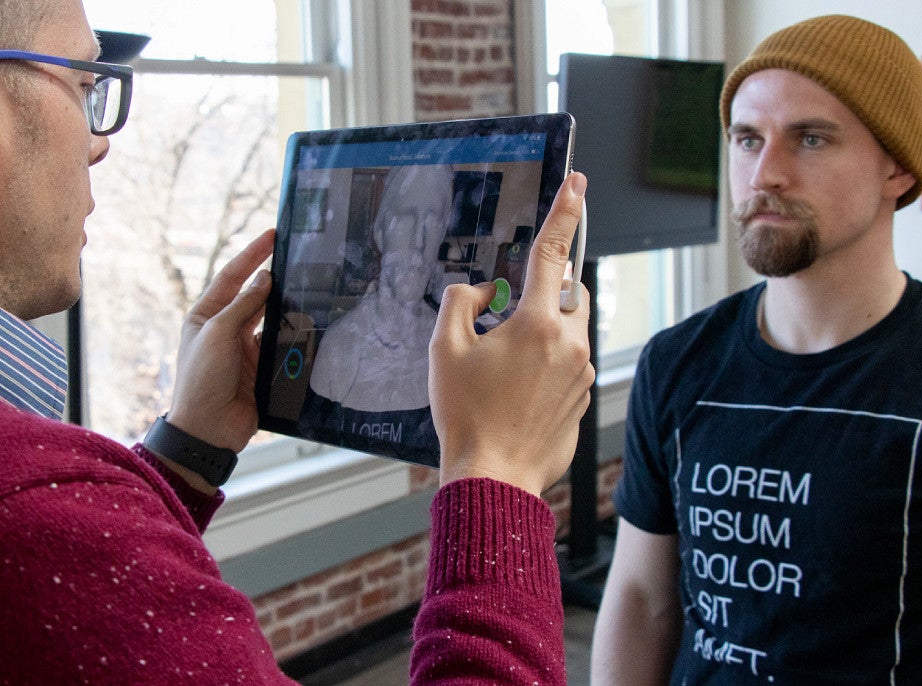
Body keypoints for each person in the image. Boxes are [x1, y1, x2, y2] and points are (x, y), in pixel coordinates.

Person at [0, 1, 593, 684]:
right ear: (378, 235)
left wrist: (187, 451)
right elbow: (58, 556)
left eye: (432, 223)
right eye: (82, 84)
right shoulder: (30, 505)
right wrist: (500, 475)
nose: (100, 141)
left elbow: (82, 616)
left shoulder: (46, 520)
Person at [591, 14, 922, 684]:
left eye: (810, 139)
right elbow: (642, 599)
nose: (765, 174)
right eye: (745, 138)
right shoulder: (676, 363)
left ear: (897, 171)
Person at [299, 164, 454, 456]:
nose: (419, 244)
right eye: (407, 219)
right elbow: (317, 454)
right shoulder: (339, 346)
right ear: (380, 232)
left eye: (432, 225)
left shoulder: (452, 344)